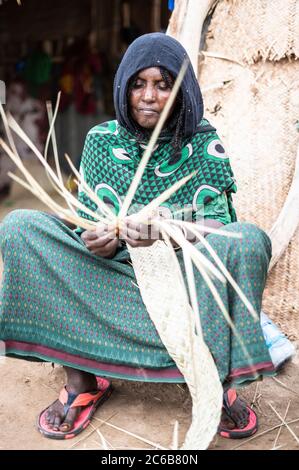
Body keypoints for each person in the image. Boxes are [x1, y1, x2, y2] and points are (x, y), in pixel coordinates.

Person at [0, 33, 275, 442]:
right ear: (124, 86)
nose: (148, 96)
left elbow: (221, 224)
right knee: (20, 227)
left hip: (184, 284)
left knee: (249, 240)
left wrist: (167, 228)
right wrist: (98, 238)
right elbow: (87, 224)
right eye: (138, 83)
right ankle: (82, 383)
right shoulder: (101, 141)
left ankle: (215, 382)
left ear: (181, 92)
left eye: (163, 85)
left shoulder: (202, 142)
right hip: (111, 280)